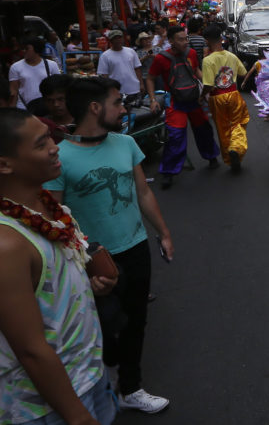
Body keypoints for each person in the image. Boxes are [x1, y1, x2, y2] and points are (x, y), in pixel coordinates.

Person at [44, 77, 174, 414]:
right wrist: (75, 266)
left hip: (135, 247)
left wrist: (162, 232)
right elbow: (54, 217)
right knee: (100, 326)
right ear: (95, 107)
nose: (123, 108)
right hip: (91, 259)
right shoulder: (60, 157)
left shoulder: (125, 143)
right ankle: (97, 392)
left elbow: (143, 191)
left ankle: (130, 388)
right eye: (117, 102)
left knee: (136, 320)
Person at [0, 107, 117, 425]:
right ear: (4, 164)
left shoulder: (53, 209)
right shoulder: (6, 243)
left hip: (90, 374)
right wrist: (76, 415)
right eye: (40, 144)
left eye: (50, 137)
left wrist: (94, 285)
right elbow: (30, 349)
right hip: (47, 406)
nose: (55, 146)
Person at [146, 25, 220, 189]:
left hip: (194, 99)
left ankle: (211, 156)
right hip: (174, 101)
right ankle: (168, 171)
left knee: (204, 129)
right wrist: (153, 100)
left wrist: (208, 87)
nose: (185, 42)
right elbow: (150, 78)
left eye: (186, 38)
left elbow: (196, 72)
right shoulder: (160, 58)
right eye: (181, 39)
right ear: (171, 41)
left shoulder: (191, 53)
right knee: (176, 136)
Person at [201, 24, 250, 171]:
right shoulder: (232, 56)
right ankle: (236, 147)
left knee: (223, 129)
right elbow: (243, 73)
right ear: (221, 38)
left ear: (207, 40)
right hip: (233, 95)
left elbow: (208, 85)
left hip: (217, 98)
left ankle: (230, 156)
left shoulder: (208, 60)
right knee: (239, 123)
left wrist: (202, 96)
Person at [8, 37, 60, 115]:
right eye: (23, 49)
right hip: (24, 108)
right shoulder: (15, 67)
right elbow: (13, 91)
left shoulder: (51, 65)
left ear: (37, 49)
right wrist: (12, 111)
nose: (23, 51)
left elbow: (58, 86)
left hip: (46, 108)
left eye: (26, 49)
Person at [97, 30, 144, 99]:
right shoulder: (105, 56)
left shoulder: (131, 51)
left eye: (120, 38)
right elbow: (104, 75)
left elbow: (137, 68)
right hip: (117, 91)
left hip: (134, 88)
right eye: (115, 38)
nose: (118, 40)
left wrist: (141, 84)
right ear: (110, 40)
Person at [39, 74, 75, 141]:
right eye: (50, 100)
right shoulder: (42, 126)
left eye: (61, 99)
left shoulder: (83, 123)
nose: (56, 104)